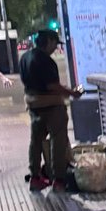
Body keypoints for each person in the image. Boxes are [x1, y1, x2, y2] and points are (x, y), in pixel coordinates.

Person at [18, 30, 81, 192]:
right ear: (49, 42)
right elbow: (52, 86)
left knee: (36, 142)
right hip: (52, 107)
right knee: (57, 142)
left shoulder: (25, 58)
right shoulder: (46, 61)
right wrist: (72, 93)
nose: (55, 48)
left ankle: (35, 176)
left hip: (33, 106)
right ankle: (58, 180)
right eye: (55, 44)